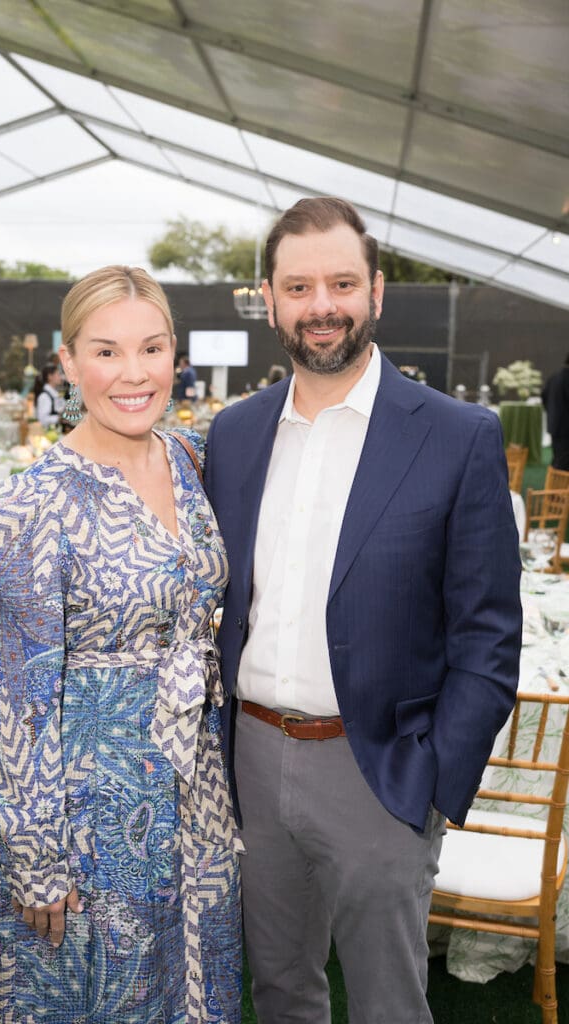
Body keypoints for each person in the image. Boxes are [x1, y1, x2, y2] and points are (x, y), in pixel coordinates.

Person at [204, 197, 522, 1024]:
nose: (321, 306)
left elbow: (488, 635)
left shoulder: (457, 435)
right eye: (299, 286)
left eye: (341, 282)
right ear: (268, 299)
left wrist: (437, 786)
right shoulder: (232, 436)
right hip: (251, 761)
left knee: (388, 1004)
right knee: (280, 992)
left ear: (377, 291)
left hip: (380, 772)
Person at [0, 265, 243, 1024]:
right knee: (93, 994)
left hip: (195, 789)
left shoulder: (191, 461)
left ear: (175, 354)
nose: (134, 373)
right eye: (107, 352)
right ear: (70, 359)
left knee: (190, 986)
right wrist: (33, 857)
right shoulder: (31, 504)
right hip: (83, 811)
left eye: (152, 348)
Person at [542, 353, 569, 469]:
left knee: (558, 458)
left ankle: (554, 484)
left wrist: (552, 412)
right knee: (564, 463)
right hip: (566, 428)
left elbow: (544, 397)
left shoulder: (554, 377)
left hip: (554, 425)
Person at [34, 361, 65, 427]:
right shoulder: (44, 396)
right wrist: (59, 418)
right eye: (58, 374)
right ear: (50, 377)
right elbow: (43, 419)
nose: (61, 377)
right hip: (50, 434)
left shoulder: (54, 393)